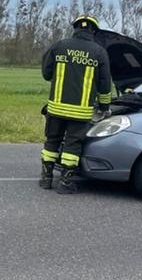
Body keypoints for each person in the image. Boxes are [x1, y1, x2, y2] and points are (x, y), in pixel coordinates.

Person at [39, 15, 112, 193]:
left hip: (56, 108)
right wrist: (104, 108)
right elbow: (104, 85)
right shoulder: (99, 52)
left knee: (52, 141)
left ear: (76, 28)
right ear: (93, 31)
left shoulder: (60, 46)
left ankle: (46, 179)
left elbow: (47, 73)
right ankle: (65, 183)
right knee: (72, 145)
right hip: (80, 112)